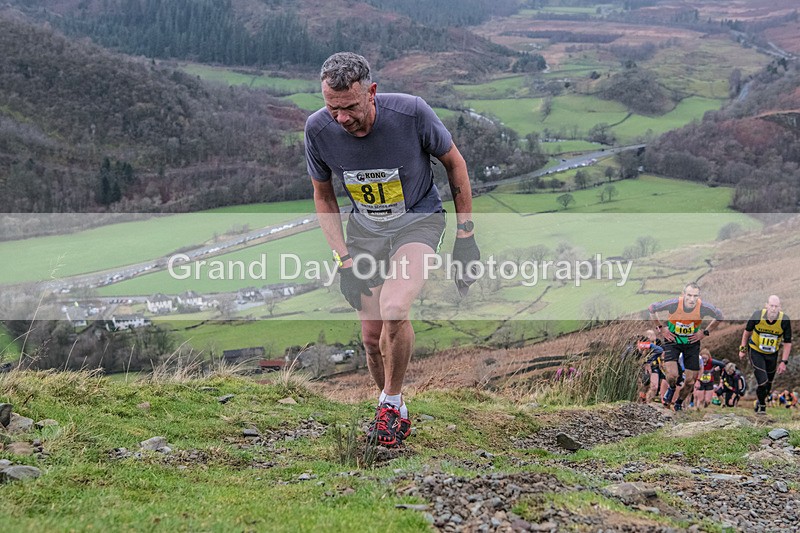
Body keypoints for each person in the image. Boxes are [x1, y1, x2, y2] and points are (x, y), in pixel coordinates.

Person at [305, 52, 480, 447]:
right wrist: (343, 260)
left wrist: (466, 236)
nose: (341, 118)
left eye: (350, 107)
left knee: (395, 309)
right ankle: (392, 412)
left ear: (372, 92)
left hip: (418, 222)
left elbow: (454, 163)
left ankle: (391, 403)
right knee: (370, 338)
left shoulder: (412, 114)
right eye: (332, 108)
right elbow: (323, 194)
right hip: (365, 233)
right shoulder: (318, 130)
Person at [649, 282, 724, 411]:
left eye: (695, 296)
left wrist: (704, 332)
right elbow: (651, 308)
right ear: (683, 294)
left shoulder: (703, 307)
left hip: (691, 343)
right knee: (673, 376)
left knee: (690, 381)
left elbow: (720, 316)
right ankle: (672, 388)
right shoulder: (673, 303)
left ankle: (678, 403)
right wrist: (661, 328)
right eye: (689, 295)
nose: (692, 299)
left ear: (699, 296)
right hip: (673, 340)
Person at [740, 295, 792, 414]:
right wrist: (742, 348)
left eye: (776, 306)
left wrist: (784, 362)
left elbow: (787, 342)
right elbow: (747, 332)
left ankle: (760, 401)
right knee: (762, 381)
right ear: (766, 306)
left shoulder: (784, 320)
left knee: (768, 383)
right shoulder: (758, 315)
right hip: (756, 351)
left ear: (780, 307)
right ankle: (762, 407)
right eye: (771, 306)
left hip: (772, 354)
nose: (773, 309)